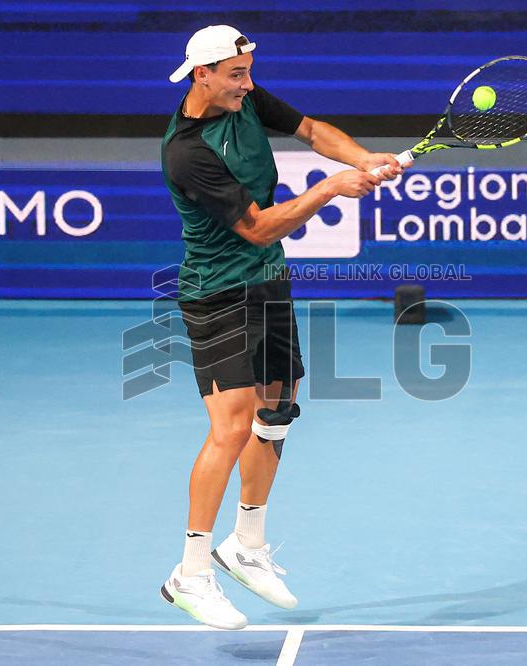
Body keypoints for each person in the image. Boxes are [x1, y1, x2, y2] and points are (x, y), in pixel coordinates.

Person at [159, 24, 407, 630]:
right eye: (237, 74)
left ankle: (246, 542)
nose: (248, 83)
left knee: (278, 405)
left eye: (249, 71)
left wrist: (361, 159)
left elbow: (313, 131)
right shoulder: (188, 151)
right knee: (231, 425)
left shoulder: (243, 98)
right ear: (203, 75)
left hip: (267, 285)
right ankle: (189, 573)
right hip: (217, 294)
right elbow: (258, 228)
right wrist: (330, 188)